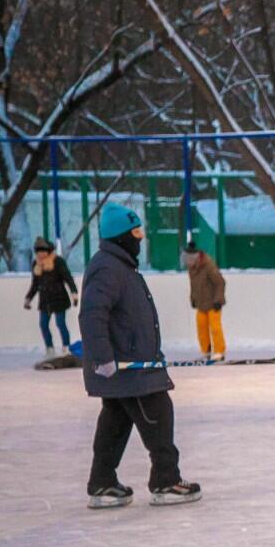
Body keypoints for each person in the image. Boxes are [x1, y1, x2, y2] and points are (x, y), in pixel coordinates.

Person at [79, 202, 201, 509]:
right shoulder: (108, 267)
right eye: (135, 232)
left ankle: (102, 483)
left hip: (131, 367)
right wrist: (102, 357)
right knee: (158, 414)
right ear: (121, 236)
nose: (140, 238)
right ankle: (166, 481)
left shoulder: (119, 266)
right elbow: (92, 315)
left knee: (115, 424)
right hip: (128, 369)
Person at [24, 237, 79, 358]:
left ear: (48, 251)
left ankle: (66, 347)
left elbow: (68, 278)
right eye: (38, 252)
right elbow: (35, 284)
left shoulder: (58, 261)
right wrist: (28, 299)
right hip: (45, 300)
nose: (40, 254)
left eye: (43, 251)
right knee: (43, 324)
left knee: (60, 323)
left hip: (59, 298)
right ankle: (50, 348)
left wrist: (74, 293)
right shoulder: (36, 264)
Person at [182, 240, 227, 362]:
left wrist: (218, 300)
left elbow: (220, 282)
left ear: (196, 258)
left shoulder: (208, 265)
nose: (187, 263)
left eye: (189, 260)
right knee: (201, 327)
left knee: (215, 328)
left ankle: (219, 351)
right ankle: (206, 351)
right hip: (201, 303)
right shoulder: (192, 268)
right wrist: (193, 299)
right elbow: (193, 285)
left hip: (213, 303)